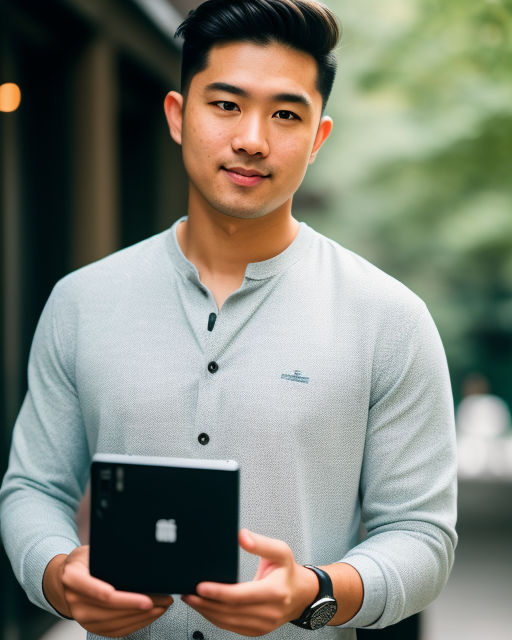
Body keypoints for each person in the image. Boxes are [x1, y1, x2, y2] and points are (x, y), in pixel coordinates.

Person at [0, 1, 457, 639]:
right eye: (225, 104)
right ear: (177, 116)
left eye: (286, 114)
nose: (252, 138)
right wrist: (57, 574)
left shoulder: (390, 318)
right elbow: (32, 488)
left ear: (318, 137)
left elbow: (422, 536)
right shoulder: (81, 301)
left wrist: (316, 592)